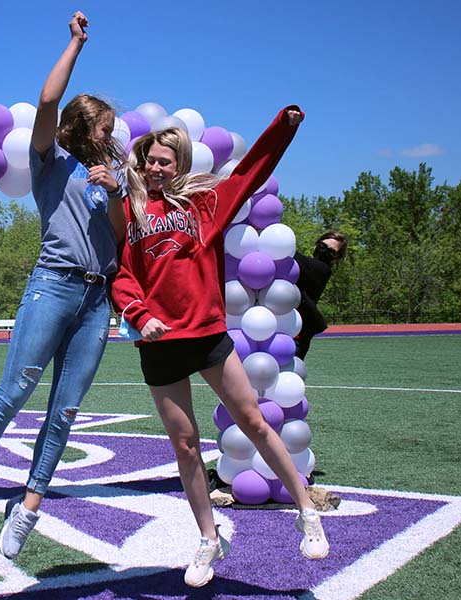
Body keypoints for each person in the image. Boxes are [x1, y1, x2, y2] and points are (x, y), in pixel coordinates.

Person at [111, 109, 329, 588]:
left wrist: (282, 128)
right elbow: (122, 276)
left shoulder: (206, 205)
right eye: (149, 160)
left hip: (208, 335)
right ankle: (210, 539)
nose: (155, 168)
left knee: (253, 420)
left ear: (180, 164)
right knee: (185, 446)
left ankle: (306, 509)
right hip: (159, 342)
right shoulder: (129, 211)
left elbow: (253, 169)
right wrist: (139, 315)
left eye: (165, 161)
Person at [0, 11, 126, 560]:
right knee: (15, 391)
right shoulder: (52, 160)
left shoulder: (110, 175)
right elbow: (46, 104)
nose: (109, 139)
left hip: (98, 299)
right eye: (103, 130)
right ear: (80, 127)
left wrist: (117, 192)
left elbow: (120, 237)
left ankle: (29, 506)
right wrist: (75, 45)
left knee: (65, 410)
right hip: (54, 285)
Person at [294, 232, 347, 359]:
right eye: (323, 246)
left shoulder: (322, 270)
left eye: (331, 252)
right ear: (316, 244)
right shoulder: (303, 264)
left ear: (336, 258)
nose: (325, 251)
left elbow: (294, 257)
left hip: (297, 335)